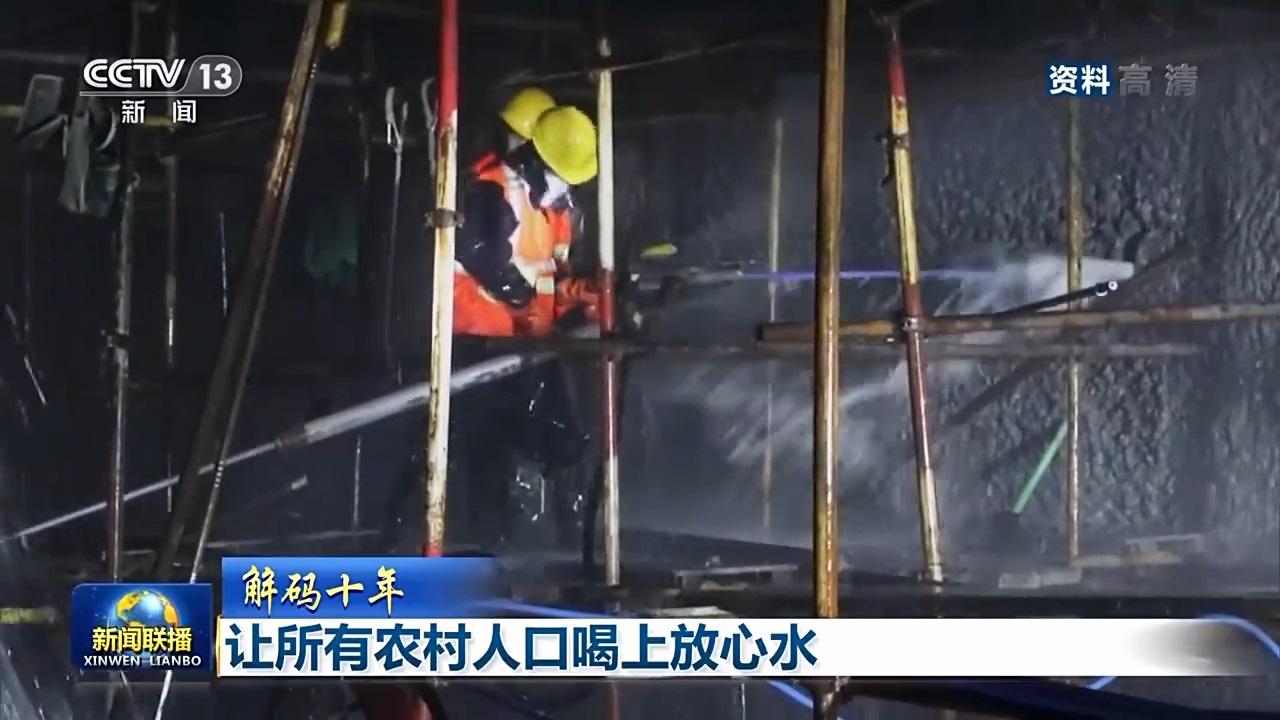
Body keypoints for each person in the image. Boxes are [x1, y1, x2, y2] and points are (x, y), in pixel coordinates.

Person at [450, 105, 601, 552]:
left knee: (563, 443)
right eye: (559, 175)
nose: (564, 187)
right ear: (535, 159)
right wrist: (522, 302)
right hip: (483, 344)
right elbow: (480, 256)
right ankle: (489, 551)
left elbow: (545, 277)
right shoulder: (492, 191)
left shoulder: (548, 208)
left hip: (528, 346)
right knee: (487, 456)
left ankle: (573, 546)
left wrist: (577, 293)